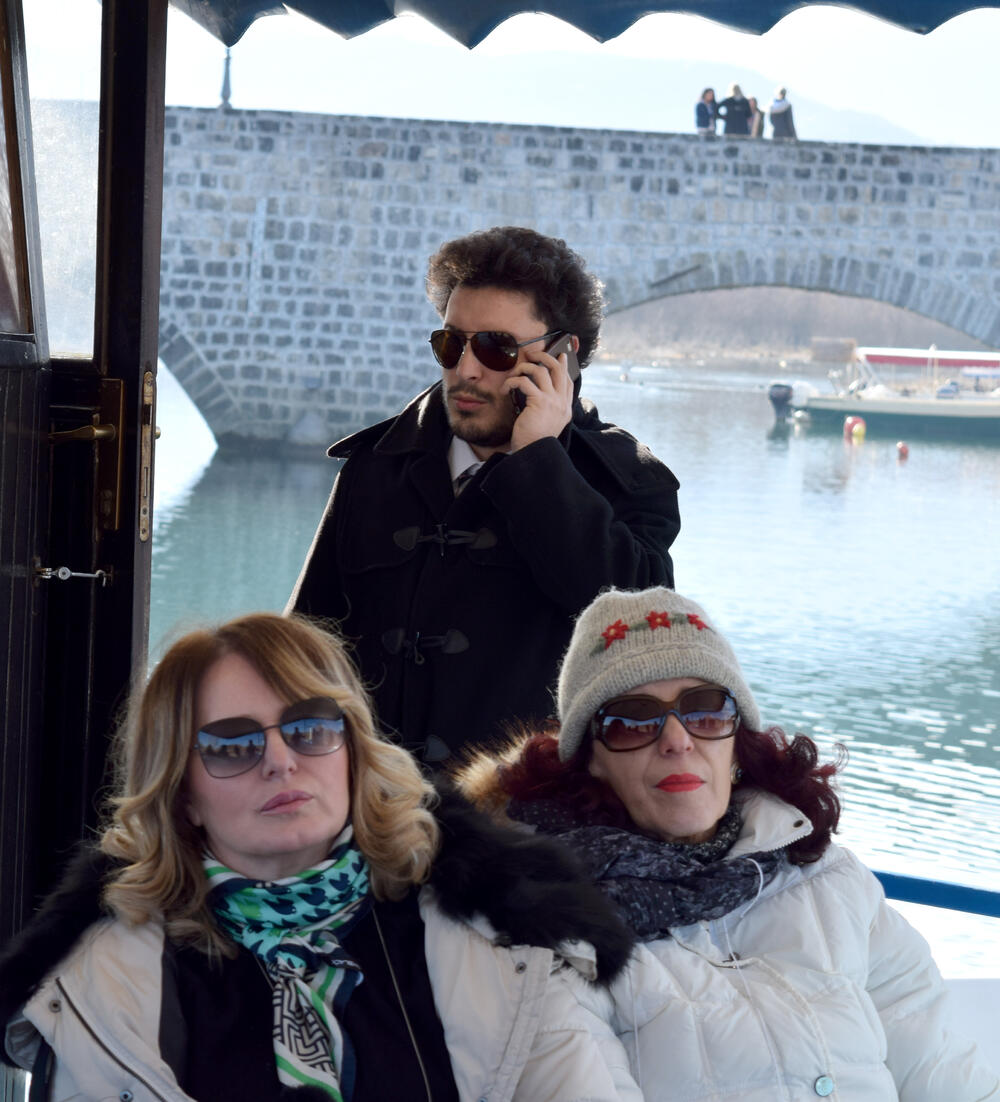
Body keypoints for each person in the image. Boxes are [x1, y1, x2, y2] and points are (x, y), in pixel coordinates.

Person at [0, 612, 644, 1101]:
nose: (281, 761)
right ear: (181, 794)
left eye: (309, 729)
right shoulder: (103, 982)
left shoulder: (502, 943)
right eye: (231, 745)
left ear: (353, 754)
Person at [454, 587, 999, 1101]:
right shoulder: (546, 924)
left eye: (705, 709)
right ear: (592, 759)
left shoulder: (831, 881)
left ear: (738, 739)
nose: (676, 740)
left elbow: (942, 1073)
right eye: (631, 722)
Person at [289, 226, 680, 766]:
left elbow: (642, 643)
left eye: (496, 349)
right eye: (450, 344)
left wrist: (539, 464)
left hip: (529, 833)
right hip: (373, 813)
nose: (465, 370)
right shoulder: (375, 467)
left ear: (562, 356)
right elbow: (301, 648)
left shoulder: (630, 484)